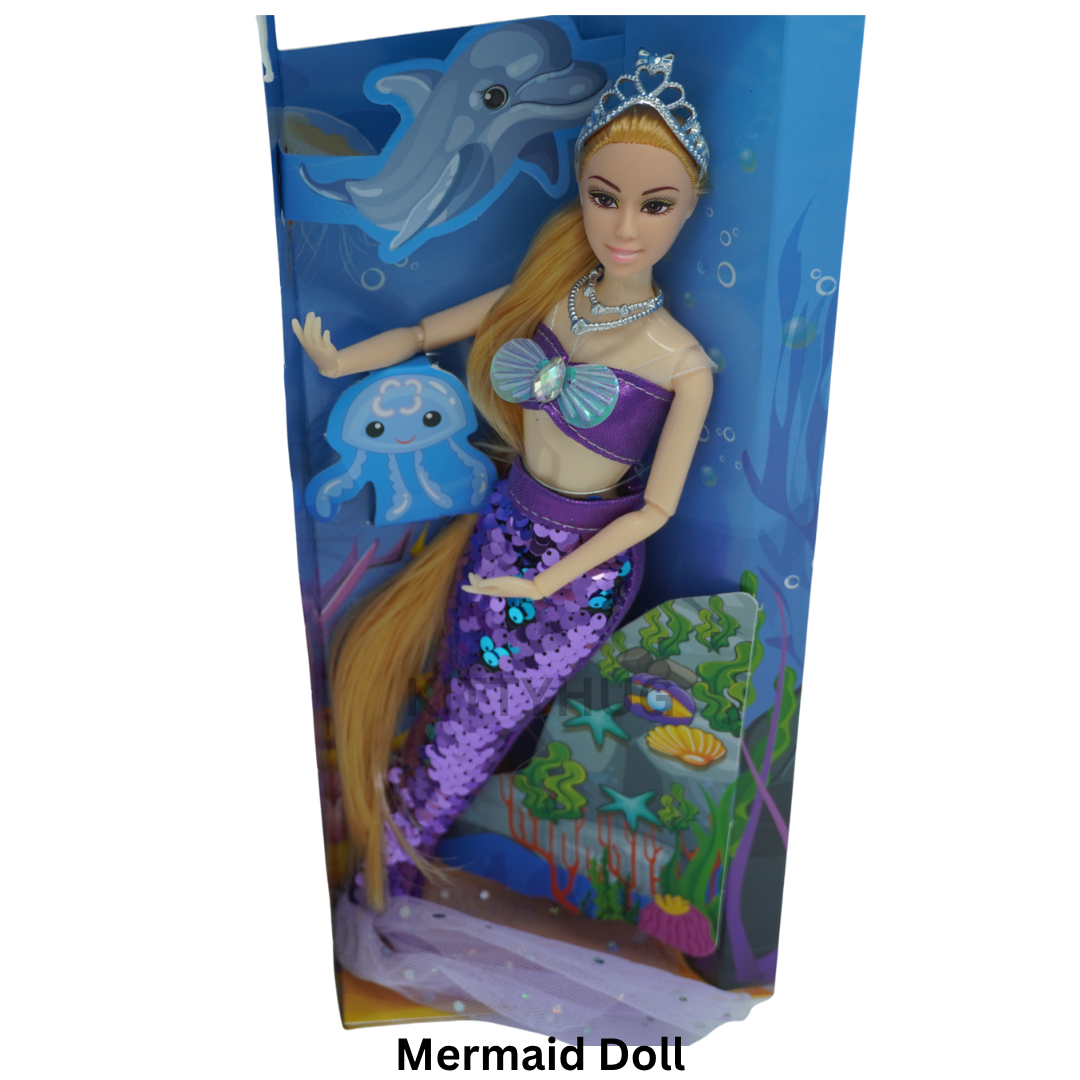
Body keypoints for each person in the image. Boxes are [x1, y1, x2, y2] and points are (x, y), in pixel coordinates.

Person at [292, 50, 717, 909]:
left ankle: (391, 874)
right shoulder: (553, 294)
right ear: (581, 192)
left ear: (689, 207)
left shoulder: (683, 364)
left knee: (476, 730)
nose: (624, 226)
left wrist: (550, 581)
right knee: (449, 698)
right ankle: (380, 843)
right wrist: (339, 362)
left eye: (656, 204)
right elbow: (425, 333)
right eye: (605, 196)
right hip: (503, 526)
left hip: (576, 576)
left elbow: (656, 508)